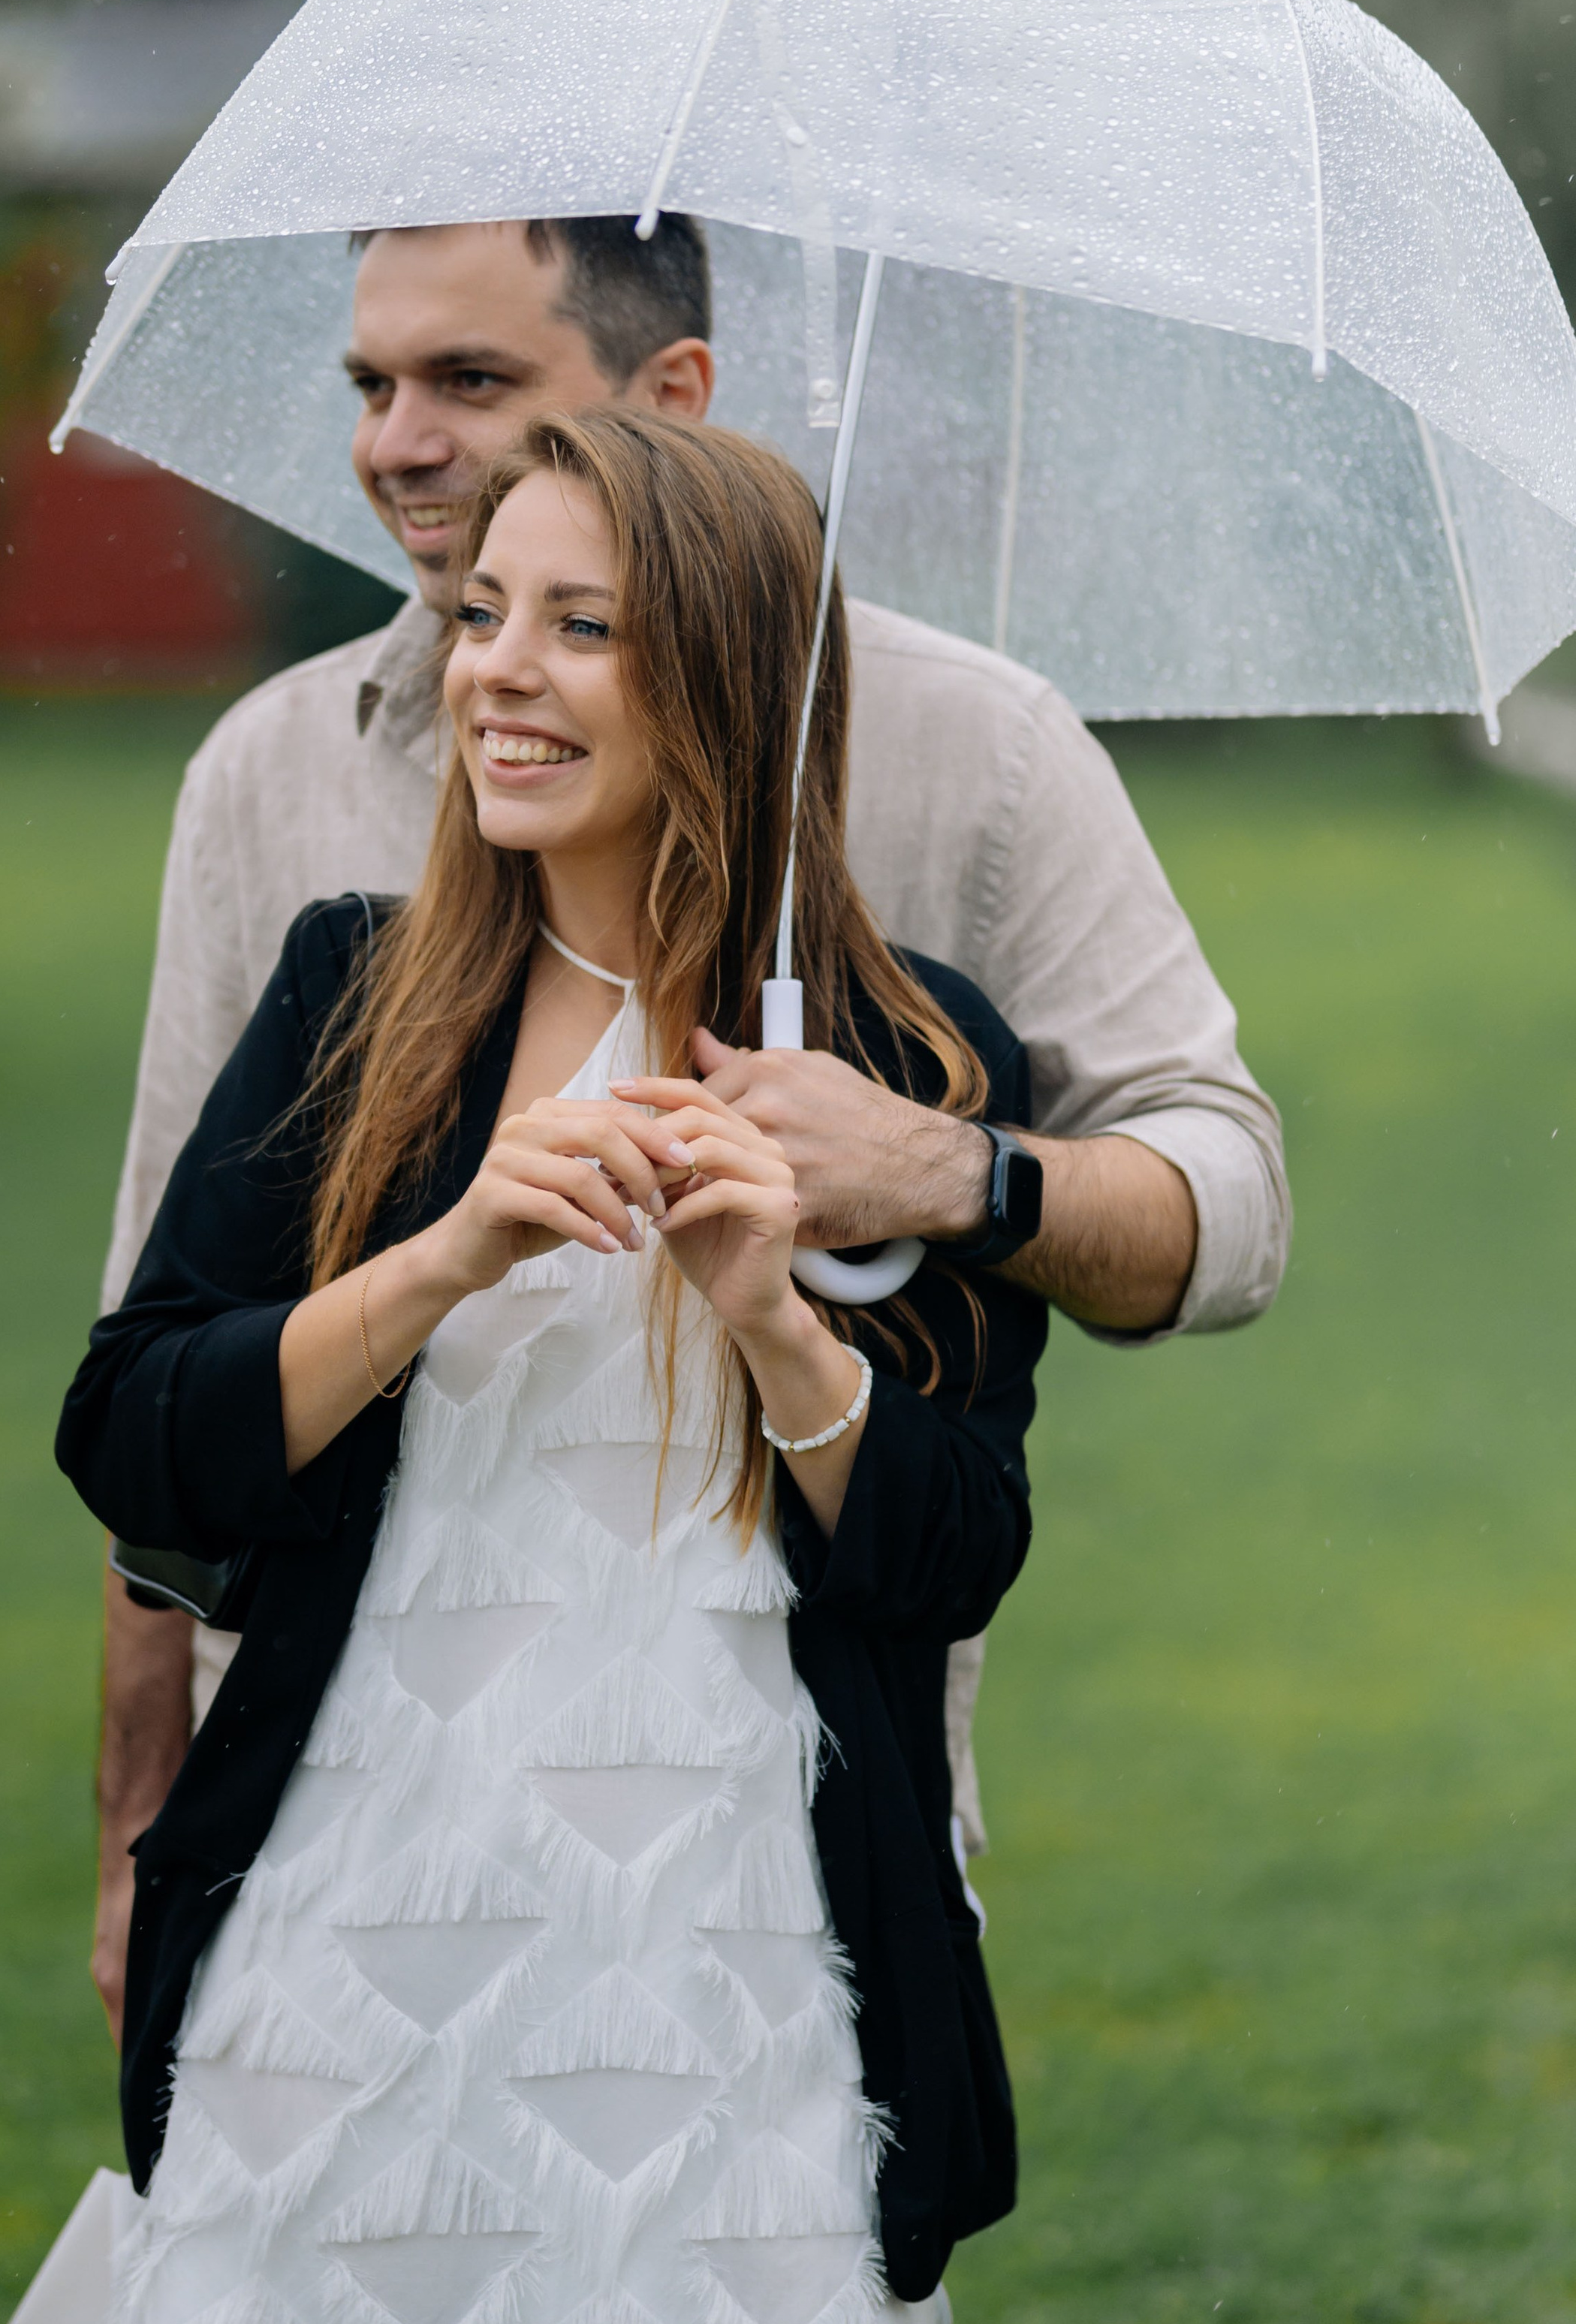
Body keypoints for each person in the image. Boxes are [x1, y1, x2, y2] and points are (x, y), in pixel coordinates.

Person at [91, 213, 1289, 2043]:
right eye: (371, 383)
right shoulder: (272, 771)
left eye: (470, 381)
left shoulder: (982, 750)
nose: (395, 440)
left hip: (785, 1805)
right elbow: (156, 1352)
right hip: (325, 1787)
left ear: (677, 399)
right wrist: (137, 1816)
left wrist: (943, 1171)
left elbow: (1226, 1208)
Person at [56, 407, 1050, 2324]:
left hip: (745, 1991)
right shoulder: (359, 998)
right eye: (487, 609)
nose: (497, 667)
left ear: (723, 674)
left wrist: (785, 1323)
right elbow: (134, 1426)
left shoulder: (906, 1063)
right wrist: (448, 1249)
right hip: (361, 1958)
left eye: (581, 626)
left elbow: (960, 1549)